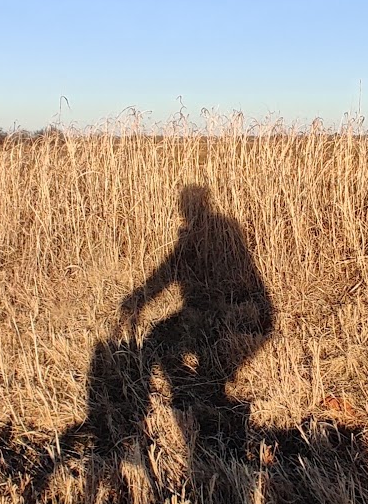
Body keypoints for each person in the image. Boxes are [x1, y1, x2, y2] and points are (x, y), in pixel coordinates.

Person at [116, 185, 273, 449]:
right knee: (186, 341)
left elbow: (167, 271)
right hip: (226, 304)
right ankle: (207, 404)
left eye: (185, 204)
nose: (183, 209)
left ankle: (197, 405)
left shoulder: (212, 229)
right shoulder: (215, 228)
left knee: (160, 339)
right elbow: (170, 269)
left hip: (223, 305)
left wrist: (139, 298)